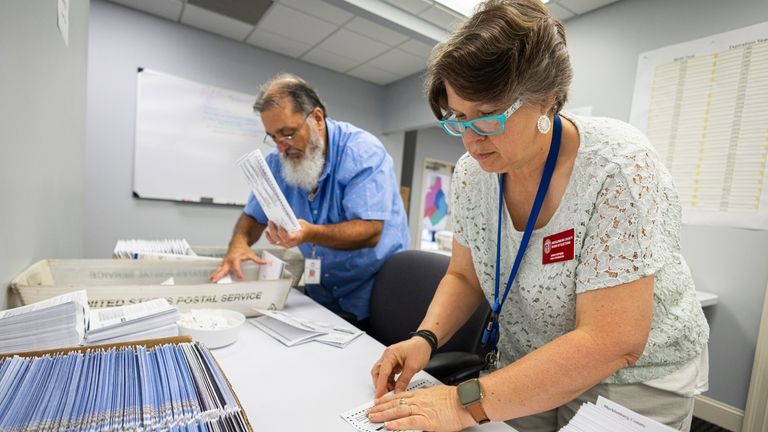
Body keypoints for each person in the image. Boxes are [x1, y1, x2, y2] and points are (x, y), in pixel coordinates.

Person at [367, 1, 709, 431]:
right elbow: (464, 276)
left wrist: (461, 402)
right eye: (459, 118)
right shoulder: (474, 174)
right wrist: (425, 339)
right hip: (528, 358)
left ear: (547, 100)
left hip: (630, 377)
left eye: (488, 118)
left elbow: (612, 342)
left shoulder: (618, 165)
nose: (471, 140)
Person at [210, 73, 409, 332]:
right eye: (273, 137)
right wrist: (238, 245)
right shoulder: (276, 162)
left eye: (288, 134)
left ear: (316, 118)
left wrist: (308, 233)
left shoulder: (362, 152)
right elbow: (252, 217)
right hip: (321, 294)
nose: (281, 147)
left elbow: (370, 231)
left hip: (373, 294)